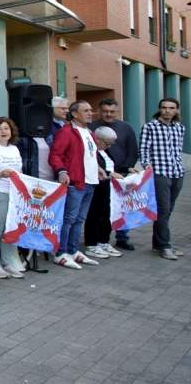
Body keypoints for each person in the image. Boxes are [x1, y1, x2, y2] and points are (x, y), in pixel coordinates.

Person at [49, 100, 101, 269]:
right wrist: (62, 171)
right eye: (86, 110)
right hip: (76, 182)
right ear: (74, 114)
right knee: (68, 220)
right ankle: (61, 253)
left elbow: (89, 156)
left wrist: (98, 169)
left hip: (90, 182)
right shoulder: (66, 132)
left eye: (91, 110)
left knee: (79, 220)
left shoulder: (90, 133)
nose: (90, 113)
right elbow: (55, 155)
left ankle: (73, 250)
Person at [90, 98, 139, 251]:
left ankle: (121, 238)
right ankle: (96, 241)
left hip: (121, 175)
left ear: (117, 111)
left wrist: (127, 169)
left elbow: (132, 150)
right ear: (99, 111)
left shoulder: (126, 128)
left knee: (121, 208)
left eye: (112, 111)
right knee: (100, 211)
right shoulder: (91, 127)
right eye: (105, 111)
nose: (108, 114)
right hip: (100, 176)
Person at [139, 98, 185, 260]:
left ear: (176, 110)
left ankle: (158, 244)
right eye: (164, 107)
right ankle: (165, 246)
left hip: (177, 173)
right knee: (163, 210)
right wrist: (147, 166)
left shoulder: (180, 127)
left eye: (171, 108)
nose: (167, 111)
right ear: (159, 109)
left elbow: (178, 150)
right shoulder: (150, 127)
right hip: (160, 173)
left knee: (168, 210)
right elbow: (143, 149)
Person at [0, 117, 26, 279]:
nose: (3, 131)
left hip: (14, 194)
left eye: (6, 128)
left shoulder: (14, 149)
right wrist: (1, 174)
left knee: (9, 229)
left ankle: (7, 262)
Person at [83, 127, 124, 260]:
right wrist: (109, 173)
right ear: (98, 139)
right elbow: (91, 166)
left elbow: (112, 165)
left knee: (107, 215)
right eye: (107, 143)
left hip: (108, 187)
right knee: (94, 215)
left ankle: (103, 241)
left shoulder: (106, 151)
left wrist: (127, 169)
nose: (109, 146)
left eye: (111, 143)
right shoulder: (91, 151)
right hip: (97, 186)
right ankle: (91, 244)